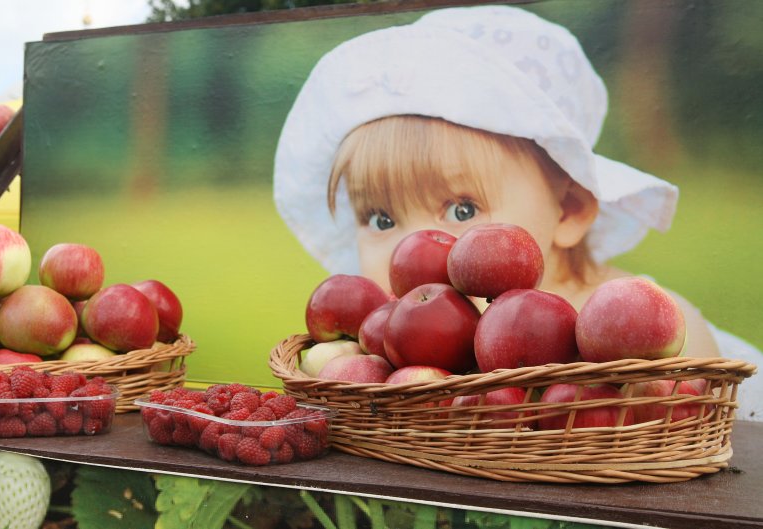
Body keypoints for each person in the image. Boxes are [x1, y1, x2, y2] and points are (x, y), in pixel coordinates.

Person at [272, 5, 762, 420]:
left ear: (568, 208)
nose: (415, 245)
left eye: (462, 209)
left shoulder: (640, 333)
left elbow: (696, 436)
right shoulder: (392, 353)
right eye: (381, 219)